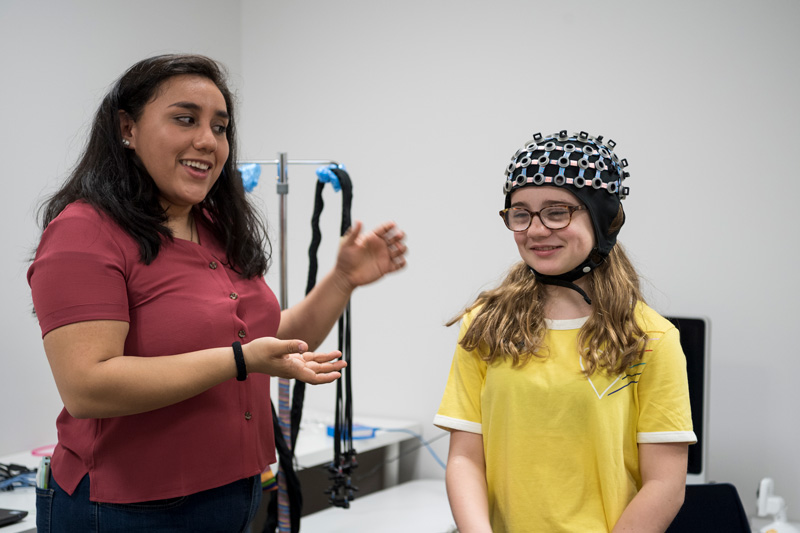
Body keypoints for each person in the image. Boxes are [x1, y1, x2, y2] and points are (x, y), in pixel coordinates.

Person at [27, 53, 407, 532]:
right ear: (127, 128)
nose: (208, 141)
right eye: (185, 119)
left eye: (221, 127)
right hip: (127, 508)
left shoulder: (213, 226)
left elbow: (271, 341)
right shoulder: (84, 231)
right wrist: (242, 360)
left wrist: (341, 280)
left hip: (235, 492)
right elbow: (87, 386)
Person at [434, 130, 696, 532]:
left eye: (557, 211)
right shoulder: (487, 324)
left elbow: (665, 485)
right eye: (520, 213)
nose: (536, 230)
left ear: (602, 218)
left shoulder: (649, 338)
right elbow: (466, 458)